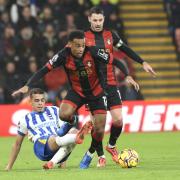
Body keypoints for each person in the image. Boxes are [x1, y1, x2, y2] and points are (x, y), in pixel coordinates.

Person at [11, 30, 115, 168]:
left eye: (83, 45)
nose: (81, 48)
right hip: (76, 94)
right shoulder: (62, 55)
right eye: (77, 45)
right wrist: (28, 85)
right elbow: (44, 70)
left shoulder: (94, 51)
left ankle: (89, 154)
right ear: (69, 44)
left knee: (98, 130)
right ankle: (74, 127)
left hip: (97, 92)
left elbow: (114, 61)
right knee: (64, 120)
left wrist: (127, 75)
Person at [79, 6, 157, 169]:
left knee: (118, 119)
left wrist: (142, 62)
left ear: (104, 19)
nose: (98, 23)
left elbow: (126, 49)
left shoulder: (111, 35)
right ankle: (99, 156)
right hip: (92, 86)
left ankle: (111, 145)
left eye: (100, 20)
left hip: (111, 83)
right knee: (99, 126)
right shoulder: (83, 38)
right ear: (89, 19)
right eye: (95, 20)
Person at [5, 88, 92, 171]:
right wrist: (9, 166)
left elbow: (63, 130)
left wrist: (72, 131)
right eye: (37, 100)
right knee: (58, 137)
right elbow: (17, 144)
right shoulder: (25, 119)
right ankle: (75, 137)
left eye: (42, 100)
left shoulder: (54, 110)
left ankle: (53, 162)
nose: (40, 103)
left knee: (71, 132)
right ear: (30, 102)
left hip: (58, 141)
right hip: (41, 146)